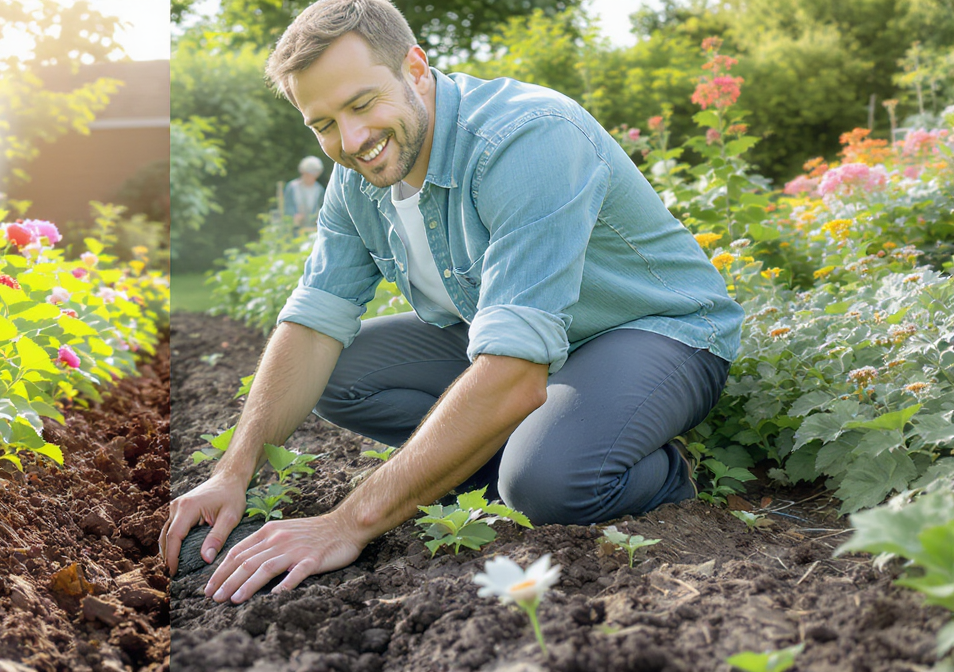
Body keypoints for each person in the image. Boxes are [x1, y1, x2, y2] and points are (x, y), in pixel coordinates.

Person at [158, 0, 743, 606]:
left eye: (362, 104)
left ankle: (650, 468)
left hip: (652, 332)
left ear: (415, 69)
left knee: (546, 484)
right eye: (323, 123)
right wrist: (231, 472)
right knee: (339, 372)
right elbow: (314, 319)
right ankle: (531, 442)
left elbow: (514, 369)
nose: (351, 140)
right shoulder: (356, 177)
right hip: (523, 344)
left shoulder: (526, 137)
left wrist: (347, 522)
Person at [283, 156, 327, 231]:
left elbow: (321, 208)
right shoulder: (292, 187)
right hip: (294, 228)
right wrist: (294, 216)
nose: (309, 177)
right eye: (307, 173)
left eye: (312, 174)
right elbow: (287, 206)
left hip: (312, 228)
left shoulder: (319, 189)